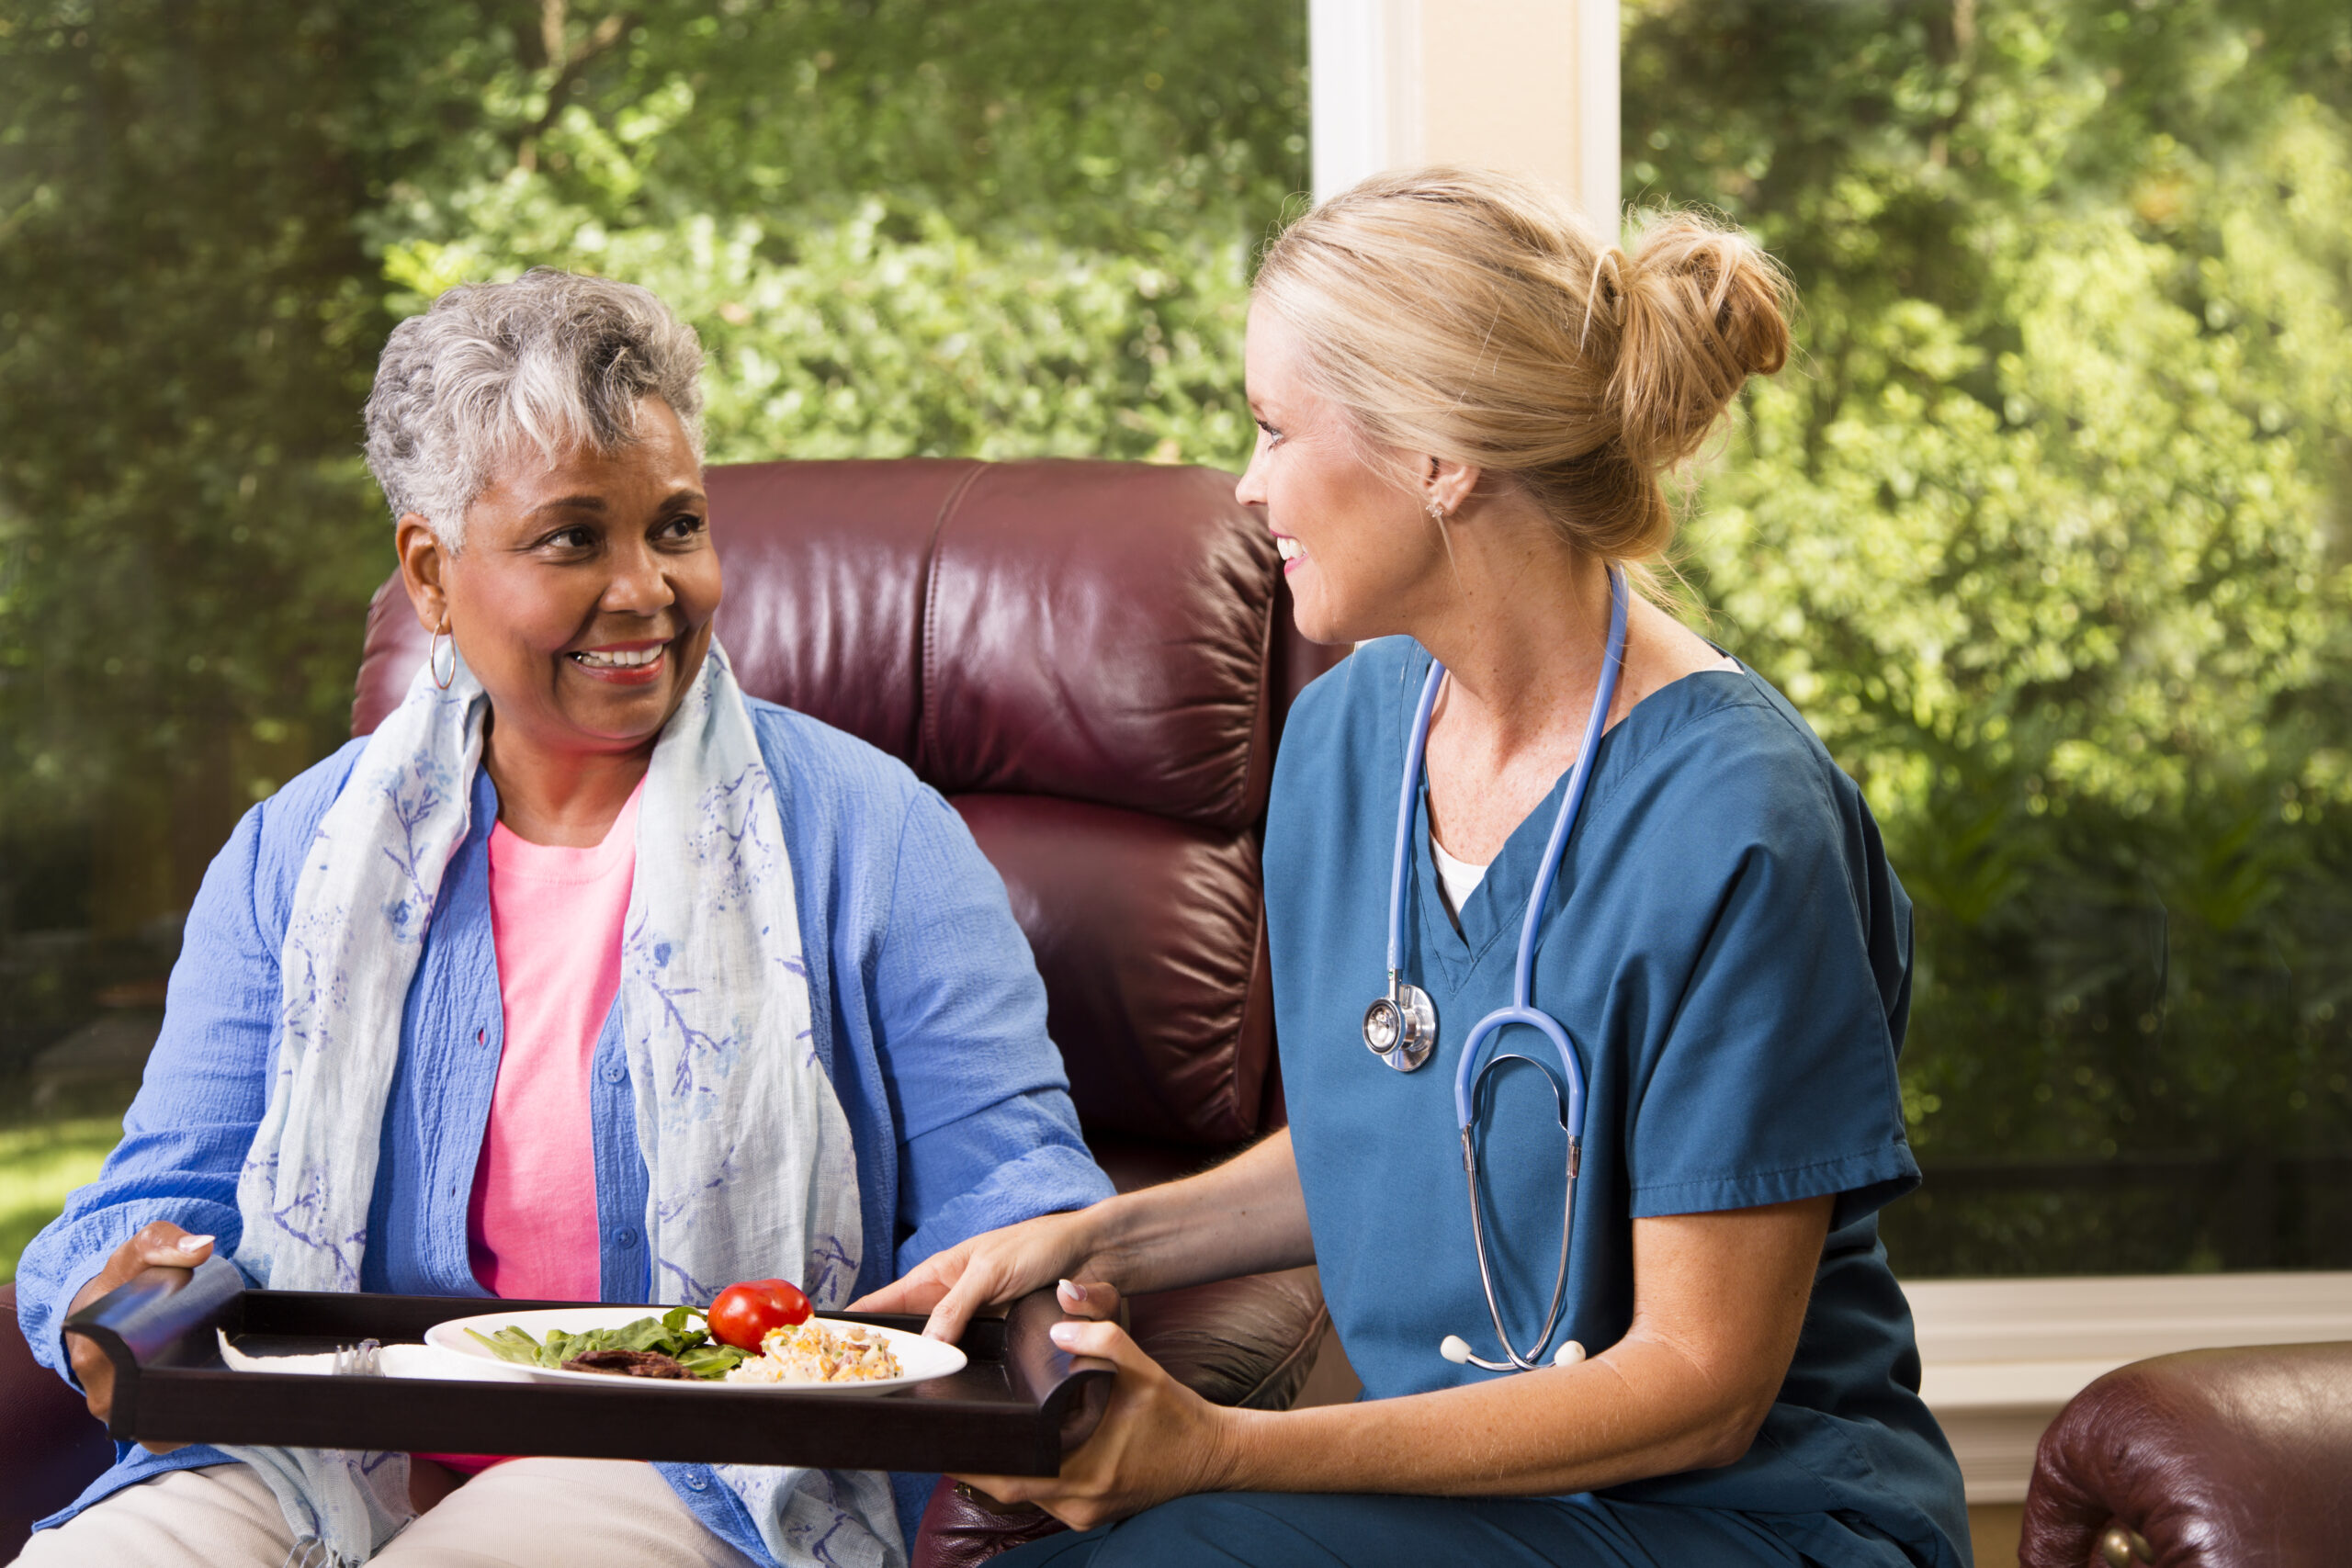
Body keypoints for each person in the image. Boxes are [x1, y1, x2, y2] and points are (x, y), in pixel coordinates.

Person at [854, 170, 1973, 1567]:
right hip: (1480, 1510)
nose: (1249, 484)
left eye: (1273, 429)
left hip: (1744, 1521)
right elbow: (1400, 1140)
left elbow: (1703, 1385)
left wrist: (1224, 1452)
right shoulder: (1349, 739)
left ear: (1443, 456)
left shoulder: (1739, 822)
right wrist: (1102, 1239)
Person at [14, 268, 1112, 1568]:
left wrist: (1050, 1295)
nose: (647, 589)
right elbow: (165, 1195)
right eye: (574, 538)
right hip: (306, 1448)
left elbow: (1016, 1192)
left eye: (679, 527)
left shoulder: (877, 837)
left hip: (691, 1463)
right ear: (430, 570)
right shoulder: (293, 857)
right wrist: (114, 1285)